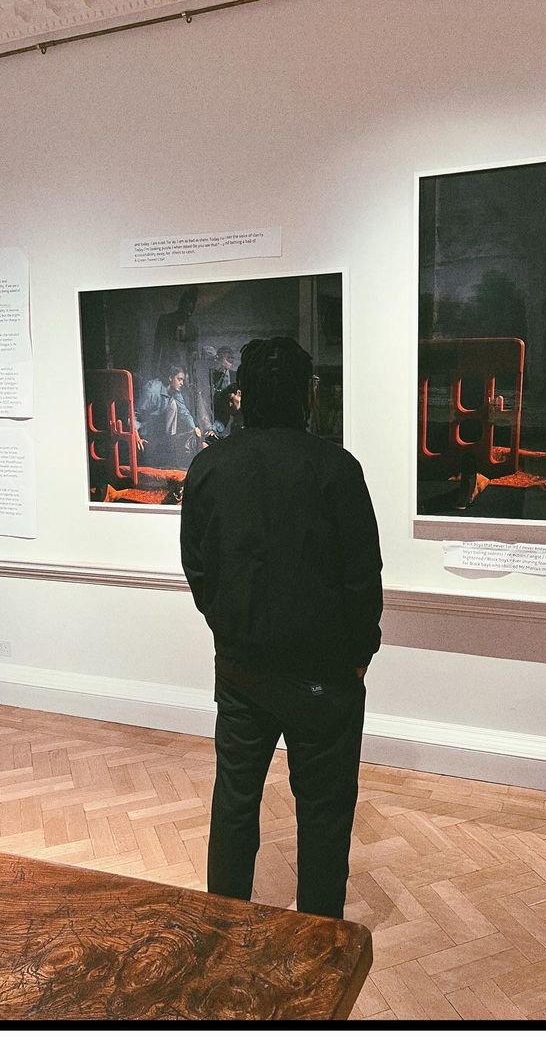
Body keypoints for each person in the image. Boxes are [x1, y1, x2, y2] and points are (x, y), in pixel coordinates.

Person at [180, 337, 382, 919]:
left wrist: (228, 629)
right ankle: (318, 941)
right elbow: (361, 576)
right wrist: (358, 656)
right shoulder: (336, 469)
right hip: (324, 676)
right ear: (306, 395)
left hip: (242, 669)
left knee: (234, 801)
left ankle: (224, 928)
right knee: (324, 813)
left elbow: (198, 567)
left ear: (244, 395)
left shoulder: (210, 467)